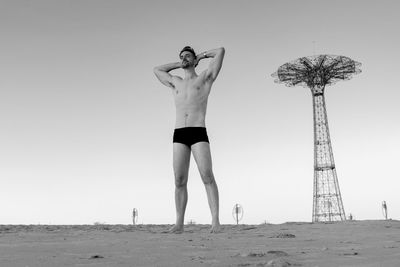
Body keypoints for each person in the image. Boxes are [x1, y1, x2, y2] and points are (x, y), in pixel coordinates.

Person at [153, 46, 225, 233]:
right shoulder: (175, 81)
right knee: (179, 180)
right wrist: (179, 63)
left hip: (198, 130)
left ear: (194, 60)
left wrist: (200, 56)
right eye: (181, 56)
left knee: (207, 176)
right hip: (179, 133)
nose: (184, 58)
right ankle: (179, 223)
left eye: (187, 56)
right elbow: (157, 70)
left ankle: (215, 221)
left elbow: (220, 51)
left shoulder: (204, 78)